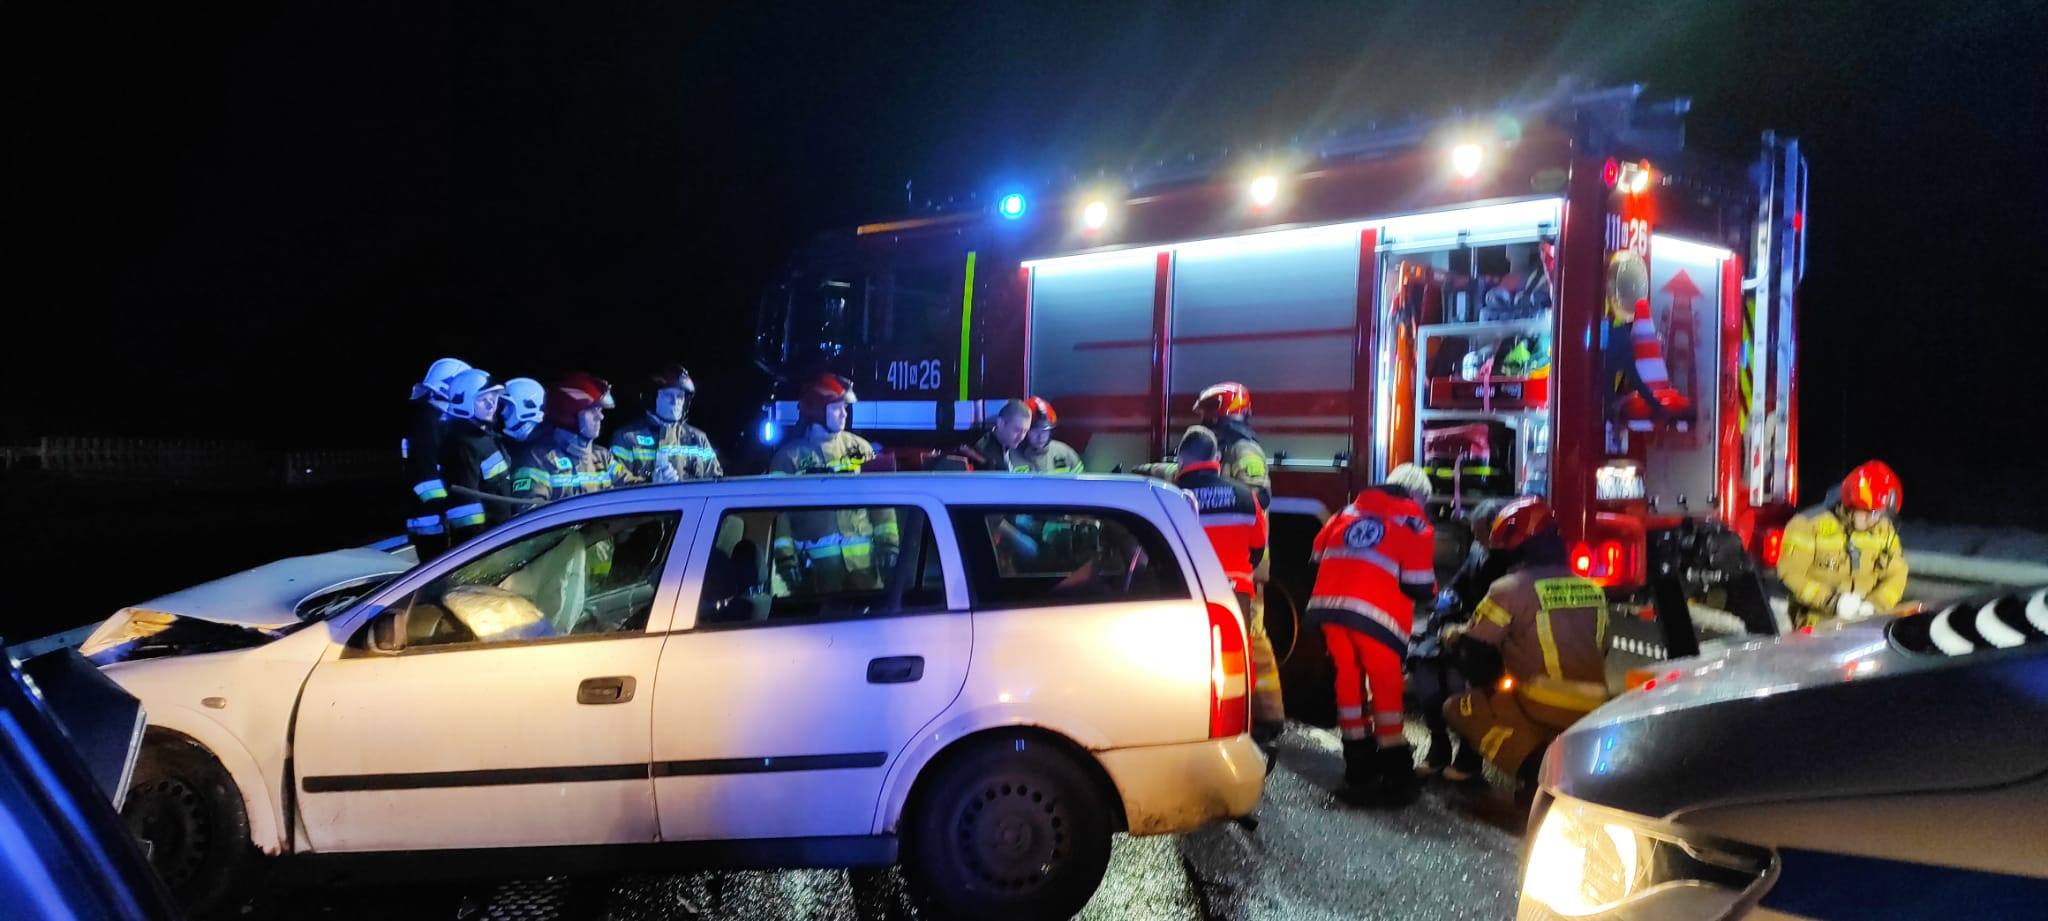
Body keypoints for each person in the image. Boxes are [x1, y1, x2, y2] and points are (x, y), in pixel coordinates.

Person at [1442, 497, 1611, 794]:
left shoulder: (1508, 589)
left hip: (1541, 700)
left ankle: (1536, 773)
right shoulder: (1592, 588)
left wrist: (1450, 635)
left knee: (1459, 708)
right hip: (1594, 703)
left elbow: (1474, 648)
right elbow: (1602, 646)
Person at [1304, 464, 1436, 806]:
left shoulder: (1346, 511)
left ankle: (1358, 767)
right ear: (1418, 495)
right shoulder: (1414, 522)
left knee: (1347, 679)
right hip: (1377, 616)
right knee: (1385, 683)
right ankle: (1395, 771)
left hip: (1330, 609)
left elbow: (1318, 554)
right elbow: (1421, 587)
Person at [1172, 427, 1280, 751]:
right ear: (1216, 458)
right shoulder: (1245, 497)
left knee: (1190, 660)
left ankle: (1193, 727)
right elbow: (1257, 547)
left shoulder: (1171, 496)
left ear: (1181, 460)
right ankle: (1241, 727)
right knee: (1236, 660)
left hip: (1189, 593)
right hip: (1236, 593)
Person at [1410, 497, 1512, 781]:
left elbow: (1504, 611)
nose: (1477, 538)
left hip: (1492, 636)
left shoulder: (1511, 560)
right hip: (1468, 627)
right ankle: (1439, 746)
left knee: (1470, 683)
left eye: (1481, 532)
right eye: (1476, 532)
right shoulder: (1479, 550)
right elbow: (1459, 584)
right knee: (1423, 661)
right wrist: (1445, 602)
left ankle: (1469, 756)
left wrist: (1466, 629)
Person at [768, 373, 899, 593]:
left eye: (845, 408)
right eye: (837, 408)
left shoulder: (861, 449)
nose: (844, 413)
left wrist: (888, 544)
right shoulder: (788, 458)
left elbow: (881, 501)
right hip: (817, 578)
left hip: (865, 575)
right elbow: (779, 516)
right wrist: (786, 560)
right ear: (818, 411)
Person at [1776, 460, 1908, 628]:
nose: (1874, 520)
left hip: (1865, 623)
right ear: (1851, 504)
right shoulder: (1807, 525)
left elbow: (1897, 574)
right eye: (1870, 513)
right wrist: (1833, 602)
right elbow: (1791, 575)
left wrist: (1875, 605)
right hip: (1817, 624)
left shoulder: (1883, 530)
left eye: (1880, 514)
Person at [510, 372, 631, 505]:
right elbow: (531, 515)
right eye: (592, 411)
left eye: (600, 411)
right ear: (569, 415)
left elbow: (633, 488)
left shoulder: (602, 457)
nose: (600, 417)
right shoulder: (538, 460)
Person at [435, 369, 512, 546]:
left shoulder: (484, 436)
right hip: (485, 545)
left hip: (500, 537)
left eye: (494, 398)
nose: (491, 405)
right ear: (463, 401)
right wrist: (480, 551)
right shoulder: (460, 444)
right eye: (482, 399)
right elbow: (466, 511)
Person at [610, 364, 723, 484]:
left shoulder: (698, 439)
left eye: (680, 396)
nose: (675, 402)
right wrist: (650, 485)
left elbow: (716, 484)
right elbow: (614, 482)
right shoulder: (626, 438)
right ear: (652, 397)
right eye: (668, 395)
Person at [403, 357, 468, 560]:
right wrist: (447, 509)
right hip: (431, 524)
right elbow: (427, 479)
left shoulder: (433, 419)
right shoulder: (428, 423)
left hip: (433, 521)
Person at [960, 398, 1033, 472]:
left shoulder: (1025, 449)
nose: (1021, 437)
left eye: (1025, 431)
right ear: (1001, 423)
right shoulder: (983, 450)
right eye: (1017, 430)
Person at [1016, 396, 1084, 473]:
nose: (1040, 436)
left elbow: (1082, 484)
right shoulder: (1010, 456)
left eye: (1045, 431)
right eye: (1034, 430)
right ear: (1024, 430)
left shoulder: (1065, 454)